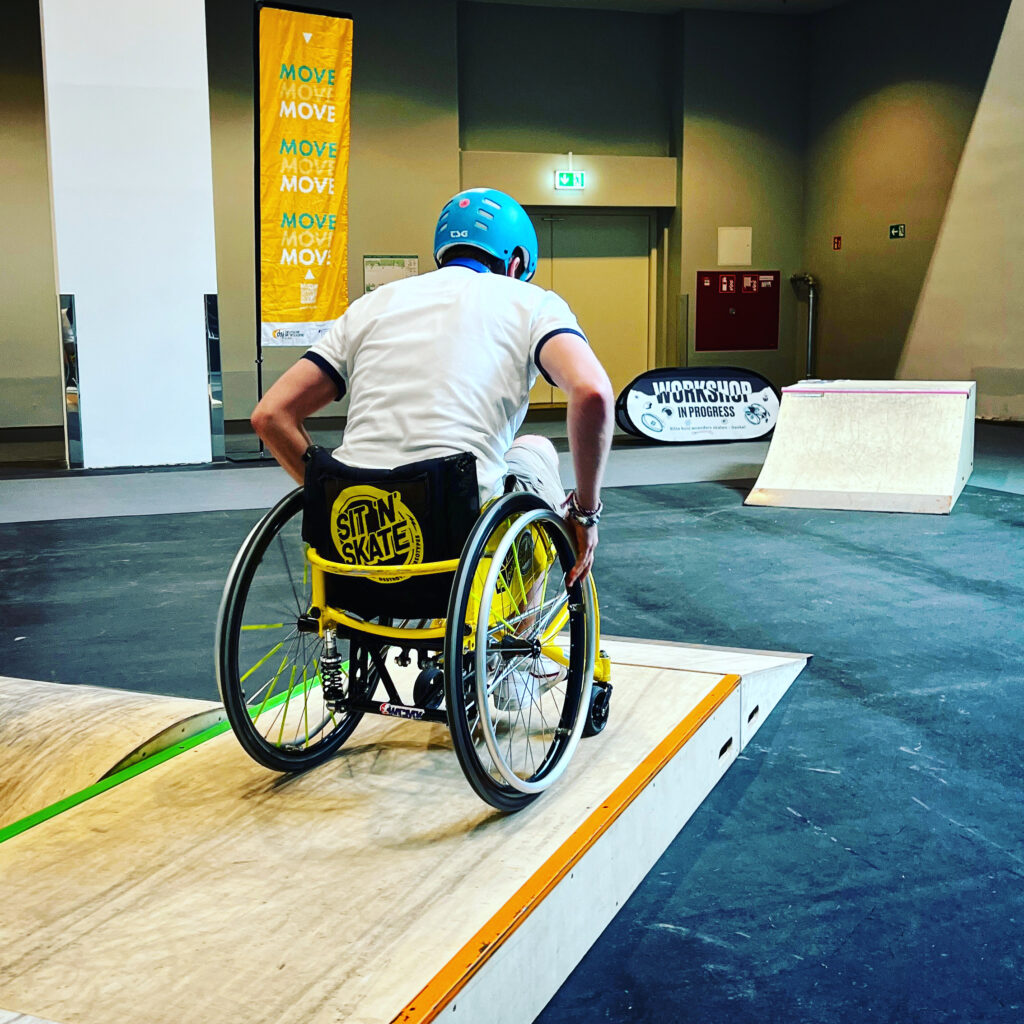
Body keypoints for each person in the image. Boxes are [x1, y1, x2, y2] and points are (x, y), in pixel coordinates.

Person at [251, 186, 614, 586]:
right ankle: (519, 638)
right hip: (458, 529)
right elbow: (592, 392)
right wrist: (585, 513)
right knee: (536, 449)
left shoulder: (371, 306)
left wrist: (331, 499)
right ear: (515, 263)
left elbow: (271, 416)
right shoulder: (530, 301)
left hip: (358, 531)